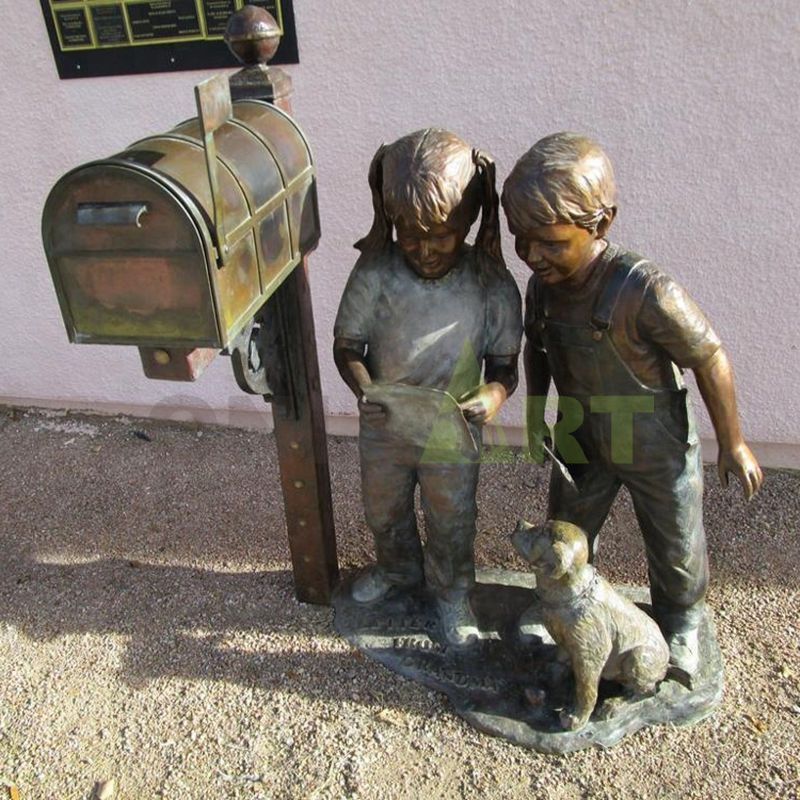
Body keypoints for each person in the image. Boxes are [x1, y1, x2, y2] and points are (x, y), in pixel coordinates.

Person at [501, 132, 763, 677]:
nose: (532, 255)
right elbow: (539, 351)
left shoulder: (645, 291)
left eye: (549, 241)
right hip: (582, 435)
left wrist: (732, 440)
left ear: (600, 224)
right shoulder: (541, 290)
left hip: (651, 441)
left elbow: (710, 355)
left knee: (674, 540)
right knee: (566, 531)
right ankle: (561, 609)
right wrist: (534, 413)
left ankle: (682, 622)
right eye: (521, 240)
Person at [333, 129, 522, 645]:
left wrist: (493, 396)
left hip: (452, 430)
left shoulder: (490, 283)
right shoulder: (376, 272)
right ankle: (398, 570)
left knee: (452, 515)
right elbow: (347, 345)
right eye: (409, 234)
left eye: (441, 234)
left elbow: (506, 364)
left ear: (469, 220)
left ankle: (452, 591)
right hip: (386, 424)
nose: (425, 248)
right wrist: (364, 389)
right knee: (382, 507)